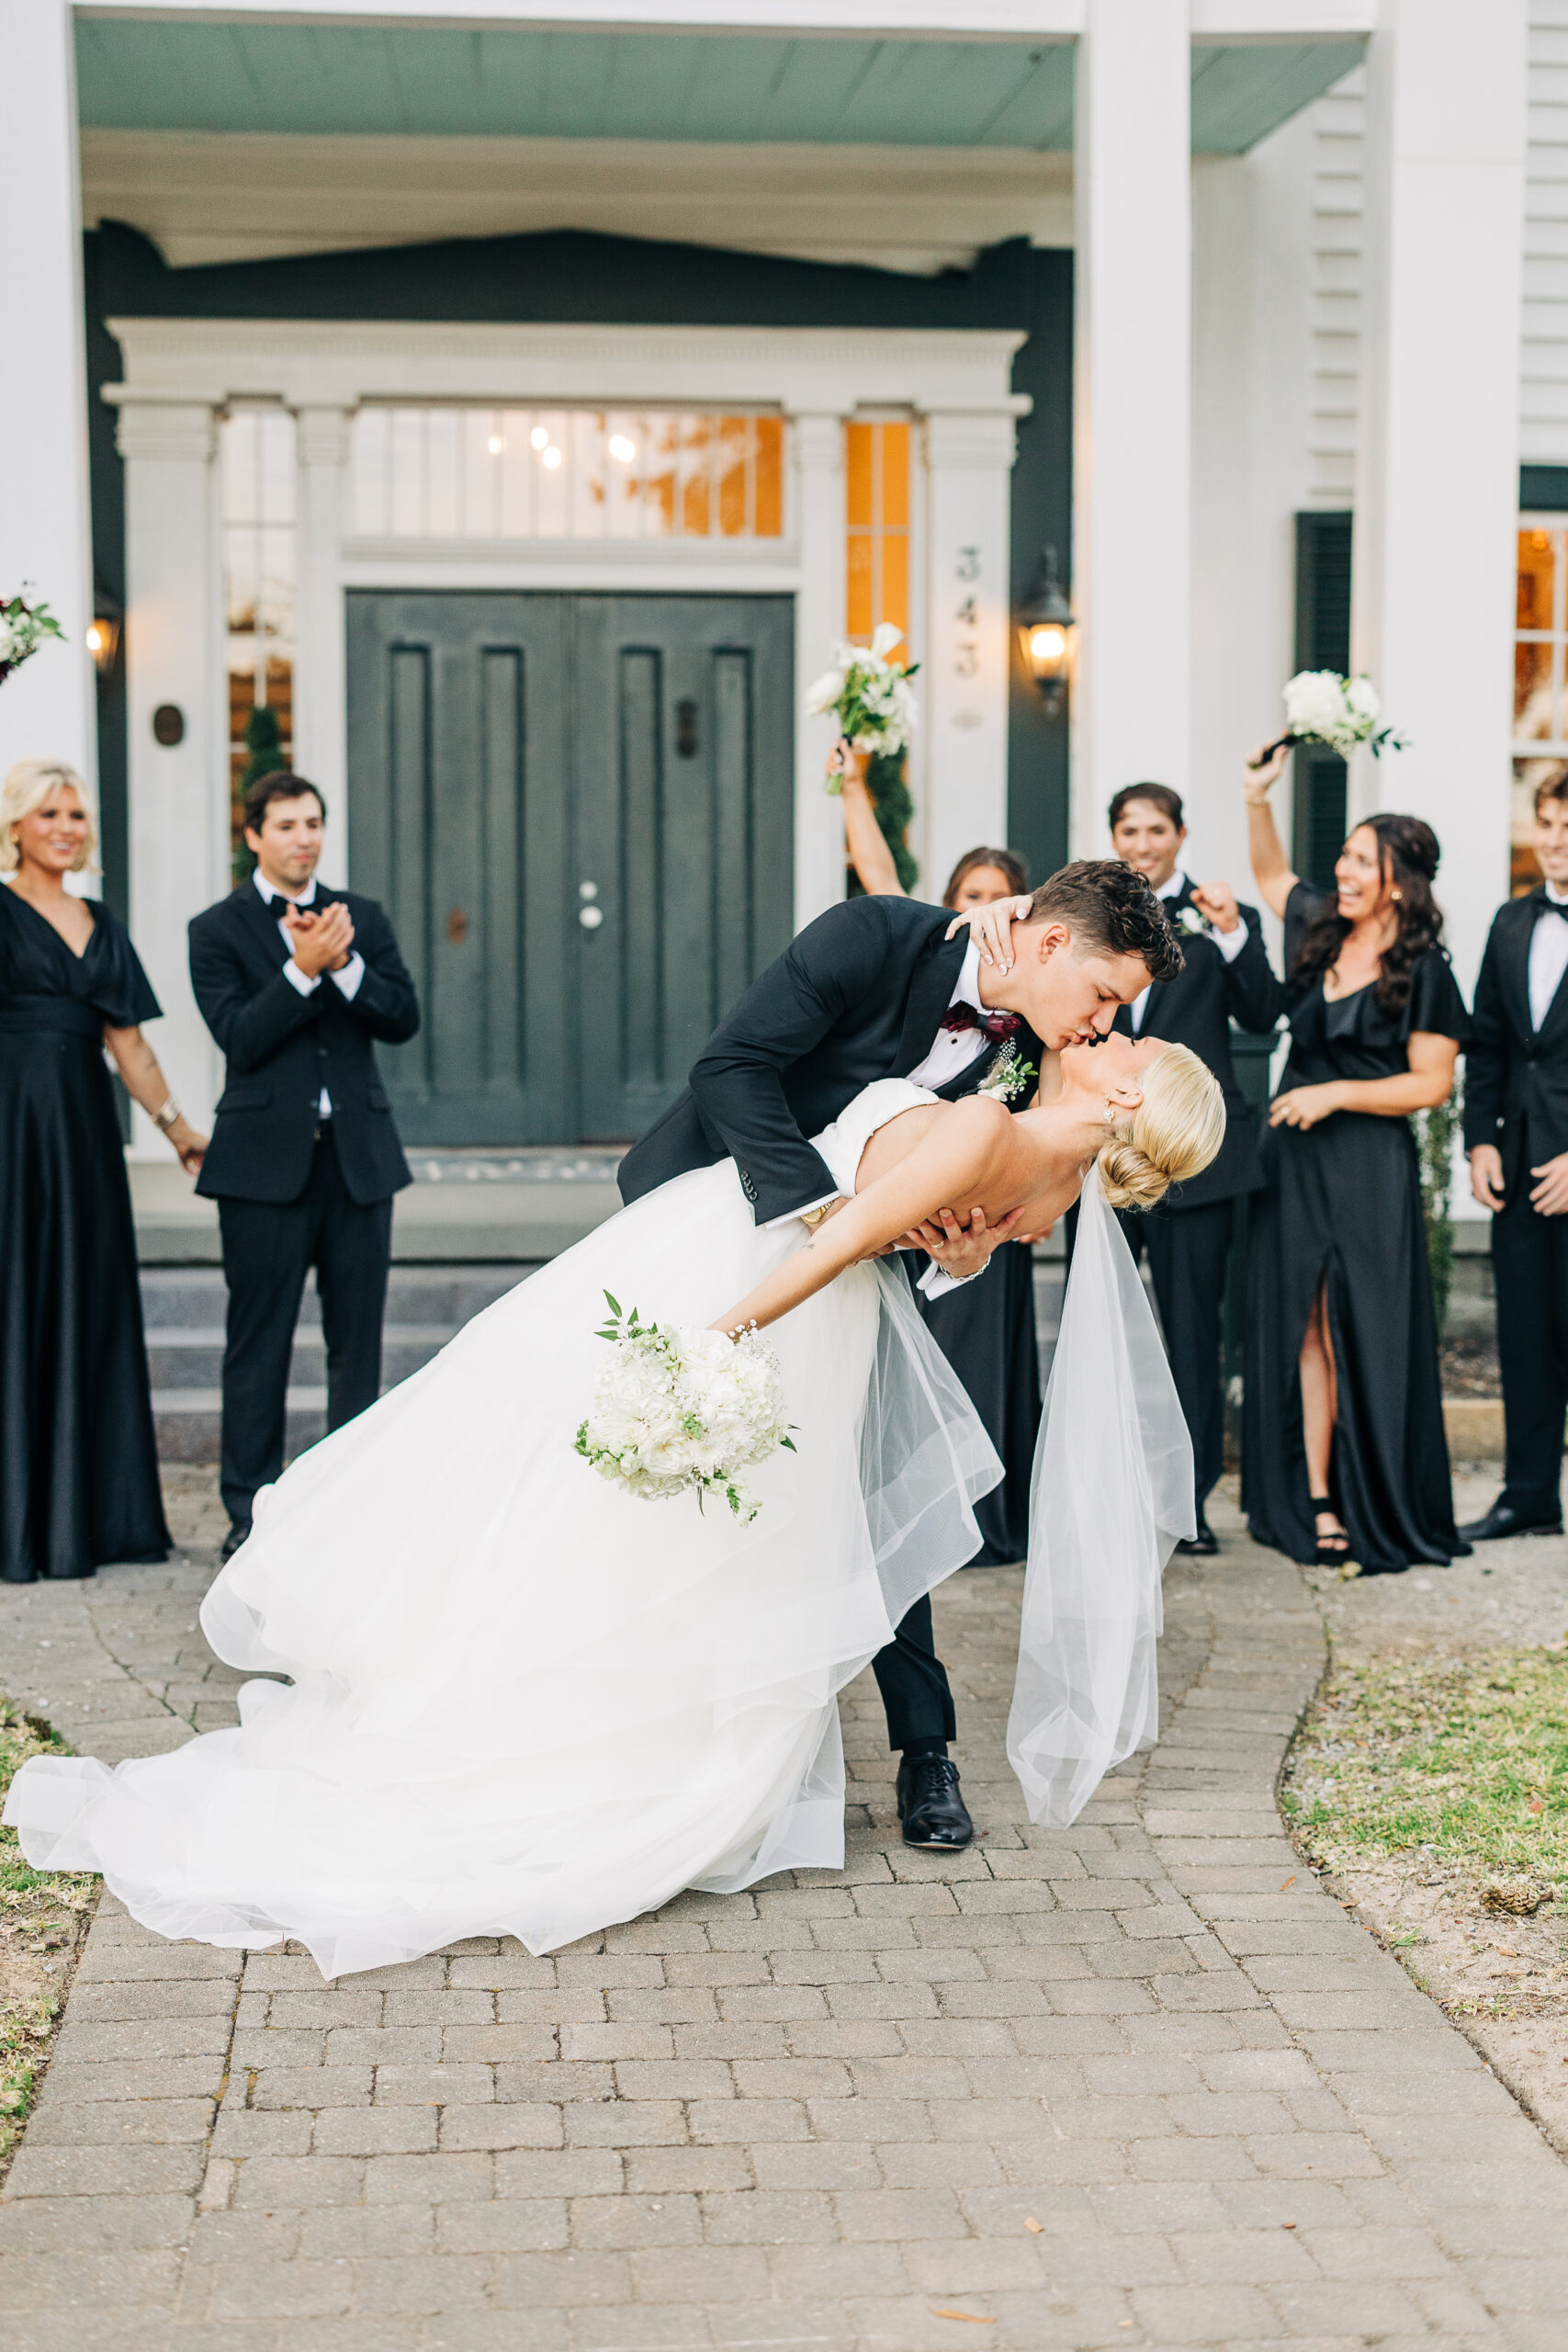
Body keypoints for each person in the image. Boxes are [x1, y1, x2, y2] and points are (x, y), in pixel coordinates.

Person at [6, 1008, 1224, 1979]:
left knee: (565, 1479)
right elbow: (950, 1246)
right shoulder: (1050, 1163)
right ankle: (608, 1731)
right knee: (661, 1537)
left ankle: (534, 1734)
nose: (1114, 1030)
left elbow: (845, 1241)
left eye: (1131, 1041)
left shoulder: (991, 1134)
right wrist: (943, 1241)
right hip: (804, 1310)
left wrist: (708, 1343)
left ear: (1122, 1099)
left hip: (753, 1281)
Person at [620, 858, 1182, 1848]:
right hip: (713, 1220)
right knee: (675, 1493)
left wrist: (960, 1257)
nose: (1103, 1023)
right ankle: (658, 1723)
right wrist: (823, 1211)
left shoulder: (1032, 1054)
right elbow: (730, 1068)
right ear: (1048, 944)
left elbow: (991, 1195)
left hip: (859, 1279)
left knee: (881, 1497)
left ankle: (928, 1755)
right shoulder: (874, 938)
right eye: (1103, 995)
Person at [1239, 743, 1469, 1572]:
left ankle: (1374, 1499)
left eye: (1358, 860)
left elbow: (1429, 1085)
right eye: (1341, 855)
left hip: (1367, 1164)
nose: (1340, 870)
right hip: (1291, 1165)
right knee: (1299, 1325)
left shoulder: (1427, 969)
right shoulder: (1316, 929)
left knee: (1356, 1330)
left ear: (1397, 881)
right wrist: (1255, 797)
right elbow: (1271, 879)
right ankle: (1315, 1496)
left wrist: (1332, 1095)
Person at [188, 771, 421, 1561]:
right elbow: (240, 1038)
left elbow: (401, 1017)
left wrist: (344, 962)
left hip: (358, 1162)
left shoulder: (365, 917)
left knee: (357, 1343)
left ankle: (346, 1503)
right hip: (260, 1170)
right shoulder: (214, 929)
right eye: (285, 825)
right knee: (260, 1344)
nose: (303, 838)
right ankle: (248, 1514)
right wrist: (302, 969)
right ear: (252, 834)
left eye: (313, 822)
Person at [0, 759, 206, 1583]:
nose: (66, 826)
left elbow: (130, 1046)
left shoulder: (101, 920)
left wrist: (179, 1129)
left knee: (82, 1300)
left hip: (83, 1141)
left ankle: (89, 1517)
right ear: (15, 824)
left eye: (77, 814)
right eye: (49, 812)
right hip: (10, 1137)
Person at [836, 746, 1040, 1566]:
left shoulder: (1033, 1010)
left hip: (981, 1214)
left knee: (973, 1358)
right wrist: (852, 785)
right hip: (897, 1195)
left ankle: (978, 1517)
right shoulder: (925, 972)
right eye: (972, 897)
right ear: (953, 906)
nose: (987, 910)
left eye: (1002, 899)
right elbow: (879, 874)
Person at [1097, 781, 1287, 1554]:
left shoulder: (1213, 920)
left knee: (1190, 1336)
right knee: (1102, 1331)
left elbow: (1263, 1012)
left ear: (1178, 835)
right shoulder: (1091, 916)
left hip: (1199, 1165)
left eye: (1153, 830)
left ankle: (1190, 1501)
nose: (1140, 844)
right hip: (1106, 1158)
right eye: (1127, 830)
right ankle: (1105, 1493)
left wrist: (1237, 931)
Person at [1460, 771, 1568, 1541]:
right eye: (1546, 822)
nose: (1554, 839)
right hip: (1521, 1168)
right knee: (1525, 1336)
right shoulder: (1507, 922)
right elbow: (1487, 1045)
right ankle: (1529, 1496)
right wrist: (1480, 1141)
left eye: (1567, 824)